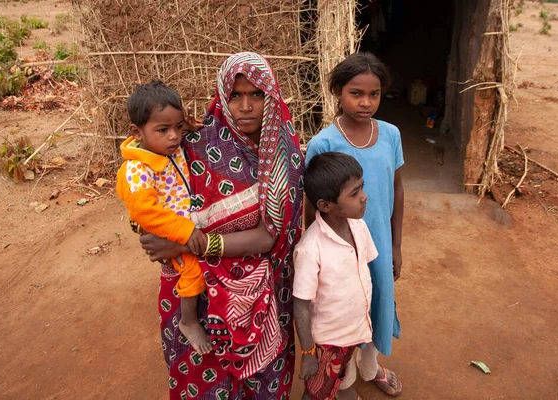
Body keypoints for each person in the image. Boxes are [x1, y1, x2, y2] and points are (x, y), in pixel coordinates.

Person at [139, 52, 304, 399]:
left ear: (271, 96)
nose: (246, 106)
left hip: (266, 292)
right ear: (222, 96)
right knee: (204, 374)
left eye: (256, 95)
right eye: (235, 95)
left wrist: (187, 243)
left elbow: (268, 237)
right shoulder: (193, 146)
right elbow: (149, 202)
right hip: (199, 293)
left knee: (263, 380)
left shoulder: (285, 158)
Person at [304, 52, 404, 397]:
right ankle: (344, 379)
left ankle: (370, 365)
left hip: (378, 241)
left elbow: (397, 188)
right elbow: (312, 203)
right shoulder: (323, 143)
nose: (365, 102)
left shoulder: (390, 134)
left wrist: (396, 244)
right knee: (343, 310)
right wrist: (313, 255)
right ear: (338, 92)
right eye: (355, 93)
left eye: (373, 94)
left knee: (378, 302)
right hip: (339, 250)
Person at [116, 81, 212, 355]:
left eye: (178, 128)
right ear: (137, 132)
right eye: (163, 130)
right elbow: (144, 212)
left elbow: (184, 130)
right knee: (193, 269)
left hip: (183, 221)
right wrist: (184, 232)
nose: (174, 137)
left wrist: (188, 125)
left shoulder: (165, 149)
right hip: (170, 230)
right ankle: (189, 321)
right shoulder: (138, 168)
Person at [294, 152, 376, 400]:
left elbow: (362, 271)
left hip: (352, 330)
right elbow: (301, 306)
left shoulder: (358, 226)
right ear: (325, 205)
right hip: (328, 341)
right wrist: (308, 354)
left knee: (332, 383)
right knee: (317, 392)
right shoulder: (310, 249)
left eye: (362, 187)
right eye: (354, 193)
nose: (364, 197)